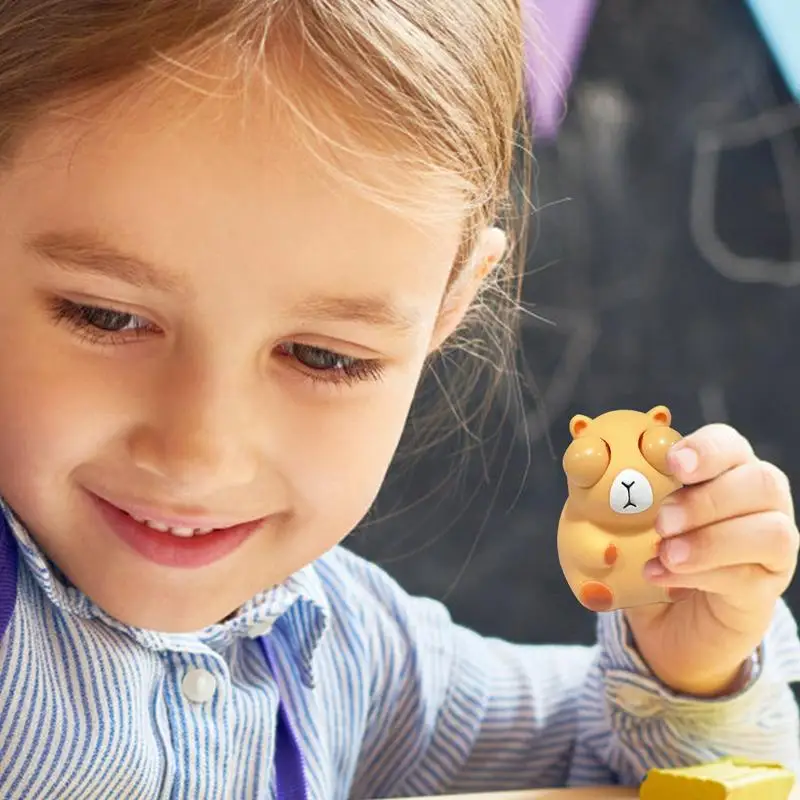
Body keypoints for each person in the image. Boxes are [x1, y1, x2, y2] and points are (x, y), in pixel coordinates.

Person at [0, 2, 797, 798]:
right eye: (105, 317)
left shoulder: (340, 643)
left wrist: (688, 663)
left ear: (447, 311)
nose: (200, 451)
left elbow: (618, 757)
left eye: (324, 358)